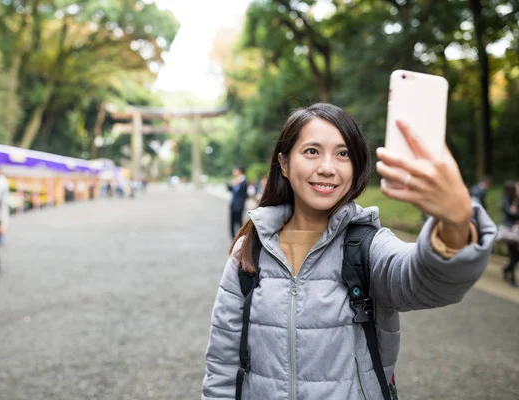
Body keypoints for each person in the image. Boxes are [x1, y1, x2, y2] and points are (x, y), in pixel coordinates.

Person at [201, 103, 495, 400]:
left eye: (343, 154)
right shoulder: (250, 249)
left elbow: (426, 282)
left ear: (356, 167)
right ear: (285, 163)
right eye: (312, 151)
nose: (327, 168)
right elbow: (222, 366)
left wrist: (456, 223)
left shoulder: (368, 247)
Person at [498, 180, 519, 287]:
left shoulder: (516, 200)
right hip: (509, 230)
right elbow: (510, 213)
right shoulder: (507, 198)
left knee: (515, 254)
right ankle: (511, 275)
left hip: (515, 230)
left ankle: (508, 270)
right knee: (515, 253)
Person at [227, 166, 248, 238]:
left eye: (235, 170)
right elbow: (231, 189)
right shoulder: (235, 181)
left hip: (239, 205)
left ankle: (240, 237)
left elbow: (244, 194)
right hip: (233, 204)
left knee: (239, 222)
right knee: (232, 222)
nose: (234, 172)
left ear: (240, 171)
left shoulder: (243, 181)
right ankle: (233, 238)